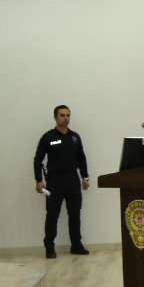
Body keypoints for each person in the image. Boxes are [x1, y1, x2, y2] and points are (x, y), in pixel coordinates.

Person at [33, 104, 90, 259]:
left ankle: (76, 245)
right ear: (55, 118)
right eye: (62, 115)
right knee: (52, 215)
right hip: (55, 181)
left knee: (74, 214)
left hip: (72, 179)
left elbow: (81, 158)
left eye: (67, 115)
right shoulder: (48, 137)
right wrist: (39, 180)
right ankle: (49, 247)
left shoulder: (75, 137)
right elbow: (38, 160)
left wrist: (85, 177)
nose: (65, 118)